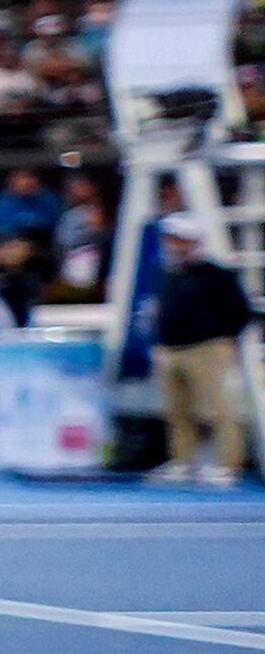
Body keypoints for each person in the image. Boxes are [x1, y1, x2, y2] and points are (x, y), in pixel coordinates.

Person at [144, 193, 253, 488]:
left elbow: (240, 311)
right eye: (170, 239)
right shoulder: (165, 275)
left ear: (194, 242)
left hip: (208, 349)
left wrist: (220, 339)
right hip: (170, 351)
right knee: (177, 412)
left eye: (180, 239)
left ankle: (228, 465)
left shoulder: (215, 275)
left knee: (219, 410)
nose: (174, 245)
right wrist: (160, 343)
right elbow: (160, 313)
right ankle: (183, 462)